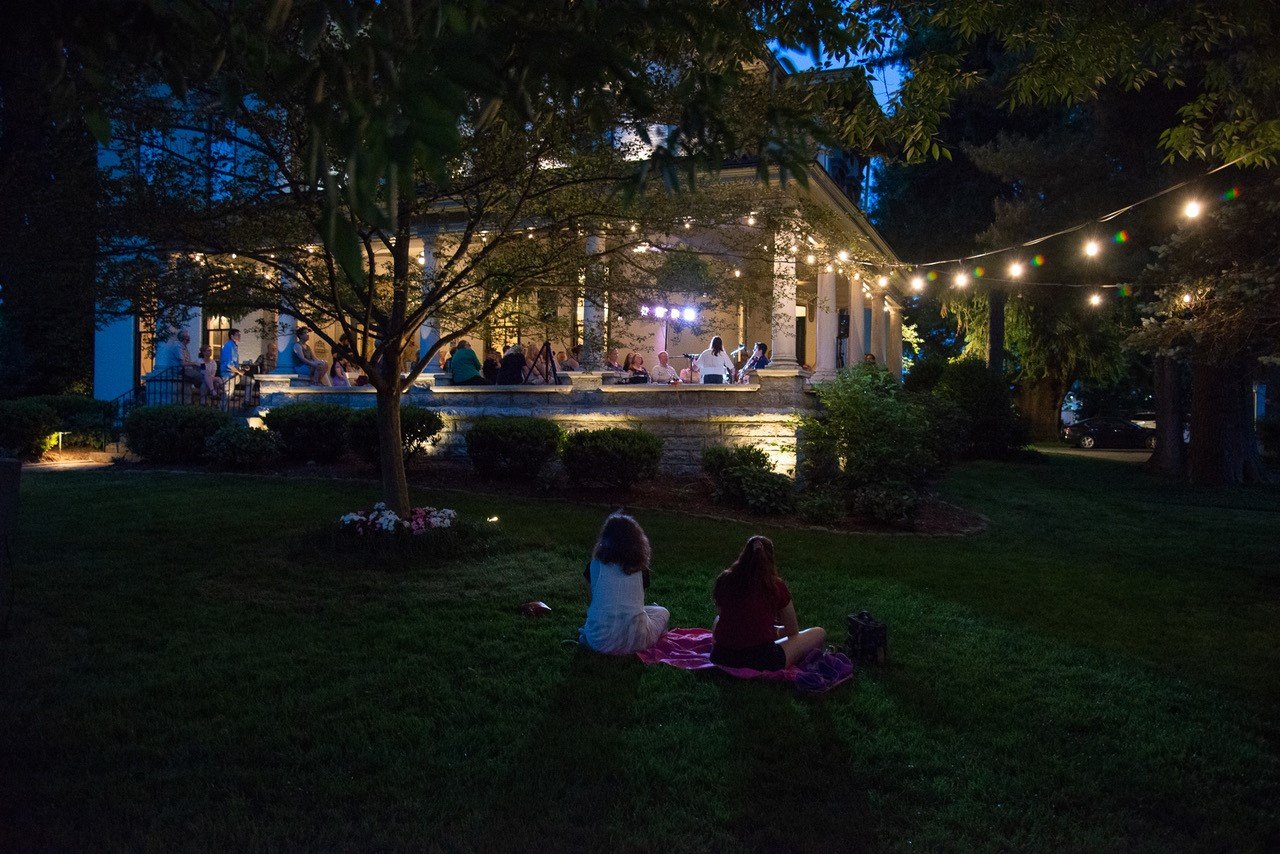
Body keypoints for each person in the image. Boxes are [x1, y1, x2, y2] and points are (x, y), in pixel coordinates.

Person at [710, 535, 827, 670]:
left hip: (722, 656)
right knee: (819, 632)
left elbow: (725, 614)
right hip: (763, 660)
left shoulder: (725, 579)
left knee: (718, 618)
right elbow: (792, 631)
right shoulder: (775, 585)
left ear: (744, 554)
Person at [579, 512, 669, 655]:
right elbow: (638, 603)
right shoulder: (640, 570)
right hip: (636, 640)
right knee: (662, 612)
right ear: (637, 542)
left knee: (651, 611)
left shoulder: (594, 566)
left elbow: (592, 601)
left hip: (598, 640)